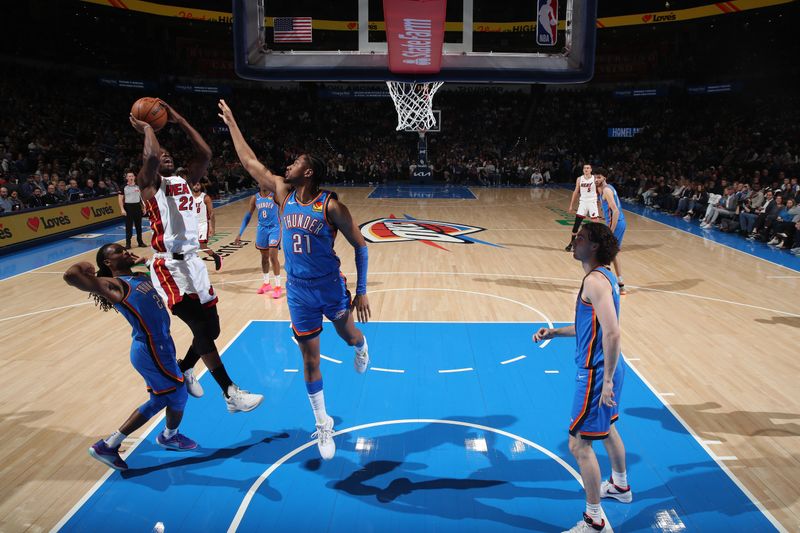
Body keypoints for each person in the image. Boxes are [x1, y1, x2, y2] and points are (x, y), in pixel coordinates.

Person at [219, 99, 370, 460]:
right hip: (299, 292)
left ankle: (362, 347)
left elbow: (361, 247)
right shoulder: (282, 194)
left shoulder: (331, 206)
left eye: (296, 161)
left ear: (309, 173)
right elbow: (250, 162)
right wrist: (232, 123)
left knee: (349, 335)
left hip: (330, 286)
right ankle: (323, 424)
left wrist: (361, 292)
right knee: (310, 359)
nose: (288, 164)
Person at [129, 100, 263, 413]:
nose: (164, 155)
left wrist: (179, 118)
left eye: (168, 154)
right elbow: (149, 155)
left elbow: (205, 154)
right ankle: (230, 393)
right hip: (168, 266)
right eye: (160, 154)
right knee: (201, 330)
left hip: (193, 263)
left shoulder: (183, 182)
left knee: (212, 329)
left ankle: (186, 366)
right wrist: (149, 127)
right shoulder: (149, 186)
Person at [63, 243, 198, 471]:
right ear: (107, 262)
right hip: (151, 348)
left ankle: (165, 436)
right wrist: (89, 265)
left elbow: (164, 270)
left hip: (162, 345)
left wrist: (140, 261)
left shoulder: (138, 276)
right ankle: (112, 444)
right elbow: (71, 276)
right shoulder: (114, 286)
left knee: (166, 397)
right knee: (177, 394)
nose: (125, 252)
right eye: (118, 251)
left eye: (125, 249)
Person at [533, 223, 631, 533]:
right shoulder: (603, 278)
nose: (575, 240)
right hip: (608, 369)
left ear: (594, 248)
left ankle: (594, 521)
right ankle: (620, 485)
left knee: (578, 445)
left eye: (582, 238)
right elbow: (593, 328)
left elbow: (613, 333)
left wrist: (608, 381)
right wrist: (555, 333)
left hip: (597, 373)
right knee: (609, 427)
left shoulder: (595, 282)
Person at [235, 186, 282, 297]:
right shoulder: (255, 198)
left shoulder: (275, 195)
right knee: (264, 258)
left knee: (272, 256)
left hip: (274, 228)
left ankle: (278, 286)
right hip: (262, 229)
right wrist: (240, 233)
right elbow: (248, 216)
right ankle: (266, 283)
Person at [595, 172, 627, 295]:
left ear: (604, 178)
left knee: (605, 253)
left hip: (617, 224)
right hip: (619, 223)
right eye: (595, 177)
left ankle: (606, 284)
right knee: (613, 254)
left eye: (599, 177)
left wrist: (610, 231)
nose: (597, 179)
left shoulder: (607, 191)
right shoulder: (604, 189)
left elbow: (616, 211)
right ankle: (621, 285)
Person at [566, 164, 600, 251]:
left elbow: (600, 190)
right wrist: (571, 205)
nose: (586, 169)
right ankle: (572, 244)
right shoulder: (579, 179)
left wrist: (602, 204)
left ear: (591, 169)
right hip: (583, 203)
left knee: (595, 225)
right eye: (585, 168)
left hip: (593, 202)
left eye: (588, 168)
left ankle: (596, 245)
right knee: (576, 225)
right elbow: (575, 192)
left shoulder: (595, 178)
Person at [191, 181, 222, 270]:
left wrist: (212, 227)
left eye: (198, 184)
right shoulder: (189, 197)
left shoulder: (205, 197)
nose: (196, 186)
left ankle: (216, 256)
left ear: (200, 186)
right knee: (191, 246)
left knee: (202, 246)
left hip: (203, 224)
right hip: (192, 224)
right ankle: (194, 267)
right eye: (194, 185)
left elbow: (211, 213)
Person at [119, 171, 146, 249]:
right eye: (129, 176)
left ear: (134, 177)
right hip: (128, 207)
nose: (131, 177)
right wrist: (122, 209)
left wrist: (143, 207)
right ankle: (128, 244)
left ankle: (140, 242)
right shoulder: (123, 187)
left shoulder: (138, 186)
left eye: (132, 176)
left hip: (137, 206)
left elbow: (142, 198)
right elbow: (120, 199)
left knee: (138, 226)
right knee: (128, 227)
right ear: (127, 178)